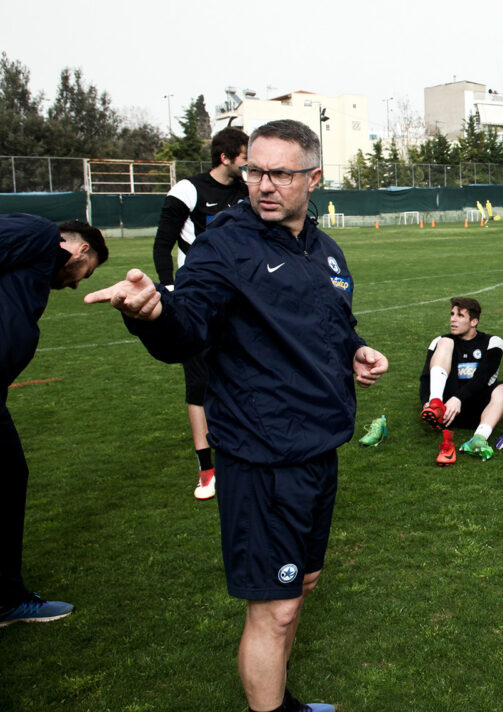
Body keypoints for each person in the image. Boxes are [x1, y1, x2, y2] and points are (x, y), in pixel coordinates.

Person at [85, 119, 386, 712]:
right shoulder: (224, 244)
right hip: (261, 454)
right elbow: (187, 326)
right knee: (273, 611)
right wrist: (150, 314)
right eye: (255, 171)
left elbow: (332, 321)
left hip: (318, 449)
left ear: (314, 178)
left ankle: (281, 701)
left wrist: (356, 349)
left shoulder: (324, 248)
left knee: (299, 589)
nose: (264, 185)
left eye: (280, 173)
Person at [1, 214, 106, 628]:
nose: (79, 282)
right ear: (79, 250)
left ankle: (6, 598)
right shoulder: (39, 235)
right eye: (87, 270)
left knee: (10, 477)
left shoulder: (31, 271)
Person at [153, 127, 248, 500]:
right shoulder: (188, 190)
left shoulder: (248, 191)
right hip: (196, 299)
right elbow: (162, 245)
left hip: (241, 299)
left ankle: (240, 453)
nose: (250, 164)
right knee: (199, 384)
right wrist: (173, 291)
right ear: (226, 157)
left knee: (242, 370)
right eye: (245, 156)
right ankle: (206, 469)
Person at [420, 296, 503, 466]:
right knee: (445, 342)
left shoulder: (493, 342)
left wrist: (458, 399)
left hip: (479, 411)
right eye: (452, 314)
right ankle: (435, 404)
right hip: (446, 413)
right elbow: (426, 378)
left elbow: (482, 378)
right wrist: (426, 402)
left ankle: (478, 438)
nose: (453, 319)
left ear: (474, 321)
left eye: (460, 316)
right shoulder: (440, 342)